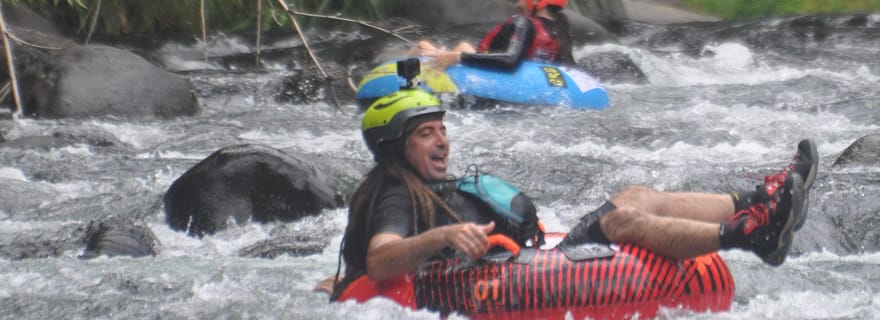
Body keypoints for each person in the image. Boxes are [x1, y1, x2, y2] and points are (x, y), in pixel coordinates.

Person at [326, 88, 818, 293]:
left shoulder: (425, 184)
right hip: (514, 279)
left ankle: (760, 203)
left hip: (528, 261)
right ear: (395, 147)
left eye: (442, 129)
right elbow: (381, 260)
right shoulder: (396, 192)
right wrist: (443, 237)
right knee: (622, 220)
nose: (442, 141)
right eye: (425, 133)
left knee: (635, 194)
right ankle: (748, 236)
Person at [416, 0, 575, 70]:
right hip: (501, 67)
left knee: (422, 46)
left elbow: (510, 60)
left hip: (488, 71)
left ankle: (404, 78)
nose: (517, 4)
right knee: (464, 46)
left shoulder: (525, 23)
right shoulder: (560, 31)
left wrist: (458, 57)